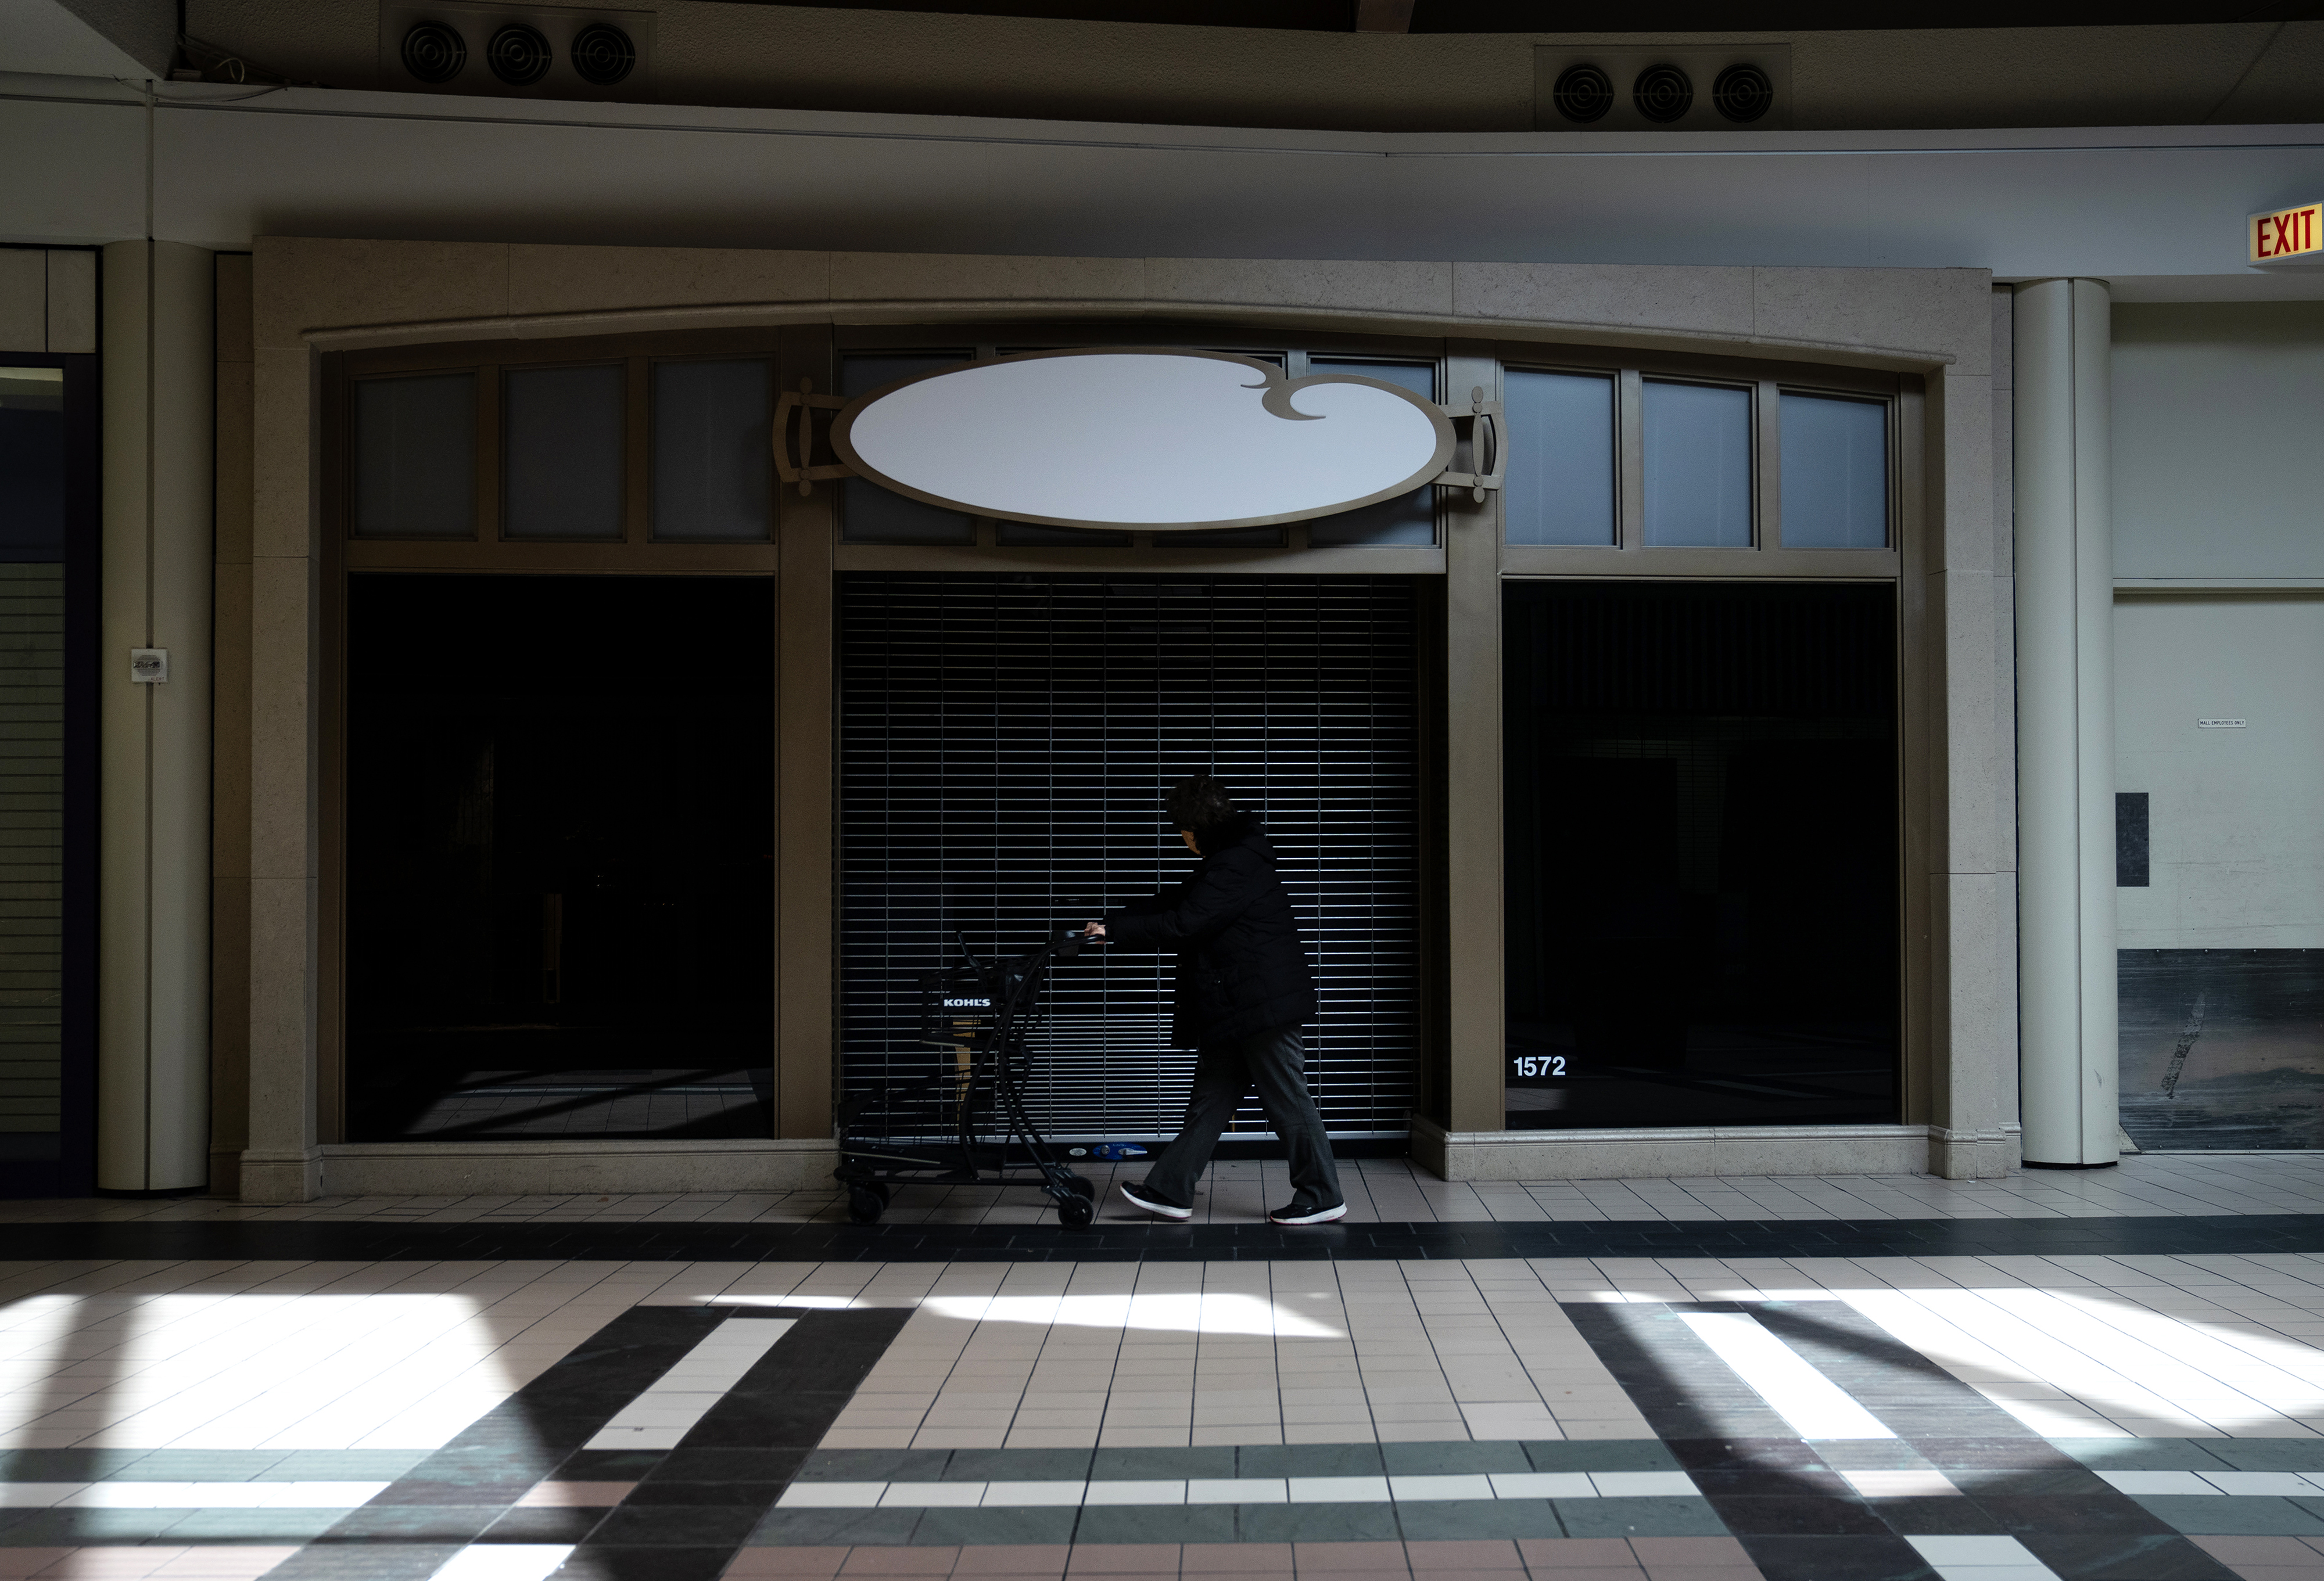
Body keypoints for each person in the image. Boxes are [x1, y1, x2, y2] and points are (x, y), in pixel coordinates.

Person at [1083, 776, 1346, 1226]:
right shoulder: (1228, 861)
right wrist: (1115, 922)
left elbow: (1188, 921)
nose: (1182, 839)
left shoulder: (1236, 865)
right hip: (1236, 1006)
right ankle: (1170, 1190)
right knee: (1210, 1101)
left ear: (1197, 829)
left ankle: (1322, 1195)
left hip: (1262, 1005)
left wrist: (1118, 932)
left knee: (1288, 1099)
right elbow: (1181, 899)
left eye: (1183, 831)